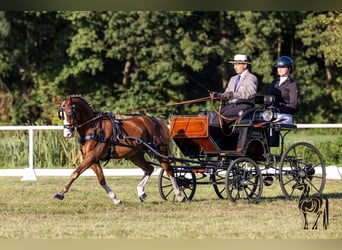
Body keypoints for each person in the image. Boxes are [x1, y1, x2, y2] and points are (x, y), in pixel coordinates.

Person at [209, 54, 258, 140]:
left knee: (221, 116)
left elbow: (250, 93)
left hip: (244, 106)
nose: (235, 67)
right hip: (230, 106)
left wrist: (233, 94)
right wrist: (217, 96)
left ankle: (214, 140)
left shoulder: (251, 78)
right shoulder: (233, 79)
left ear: (245, 65)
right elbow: (226, 94)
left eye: (238, 64)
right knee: (213, 115)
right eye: (234, 64)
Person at [268, 56, 299, 123]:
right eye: (278, 67)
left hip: (285, 115)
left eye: (283, 67)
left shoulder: (292, 84)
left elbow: (293, 105)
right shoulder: (274, 82)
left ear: (289, 68)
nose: (280, 69)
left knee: (272, 122)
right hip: (271, 113)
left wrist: (278, 110)